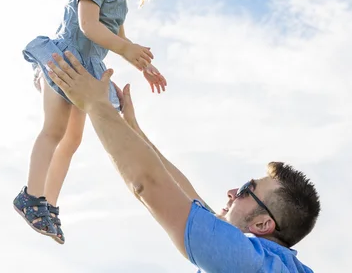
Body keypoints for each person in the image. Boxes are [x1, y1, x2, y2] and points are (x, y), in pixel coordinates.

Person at [45, 51, 321, 273]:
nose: (232, 192)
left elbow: (149, 185)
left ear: (262, 225)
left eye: (247, 190)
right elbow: (189, 200)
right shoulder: (276, 262)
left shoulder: (246, 260)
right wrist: (133, 131)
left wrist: (95, 104)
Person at [13, 0, 168, 244]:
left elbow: (115, 39)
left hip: (85, 71)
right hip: (64, 61)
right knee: (54, 131)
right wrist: (126, 47)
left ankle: (49, 206)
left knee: (72, 141)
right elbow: (88, 27)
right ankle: (30, 195)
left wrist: (143, 65)